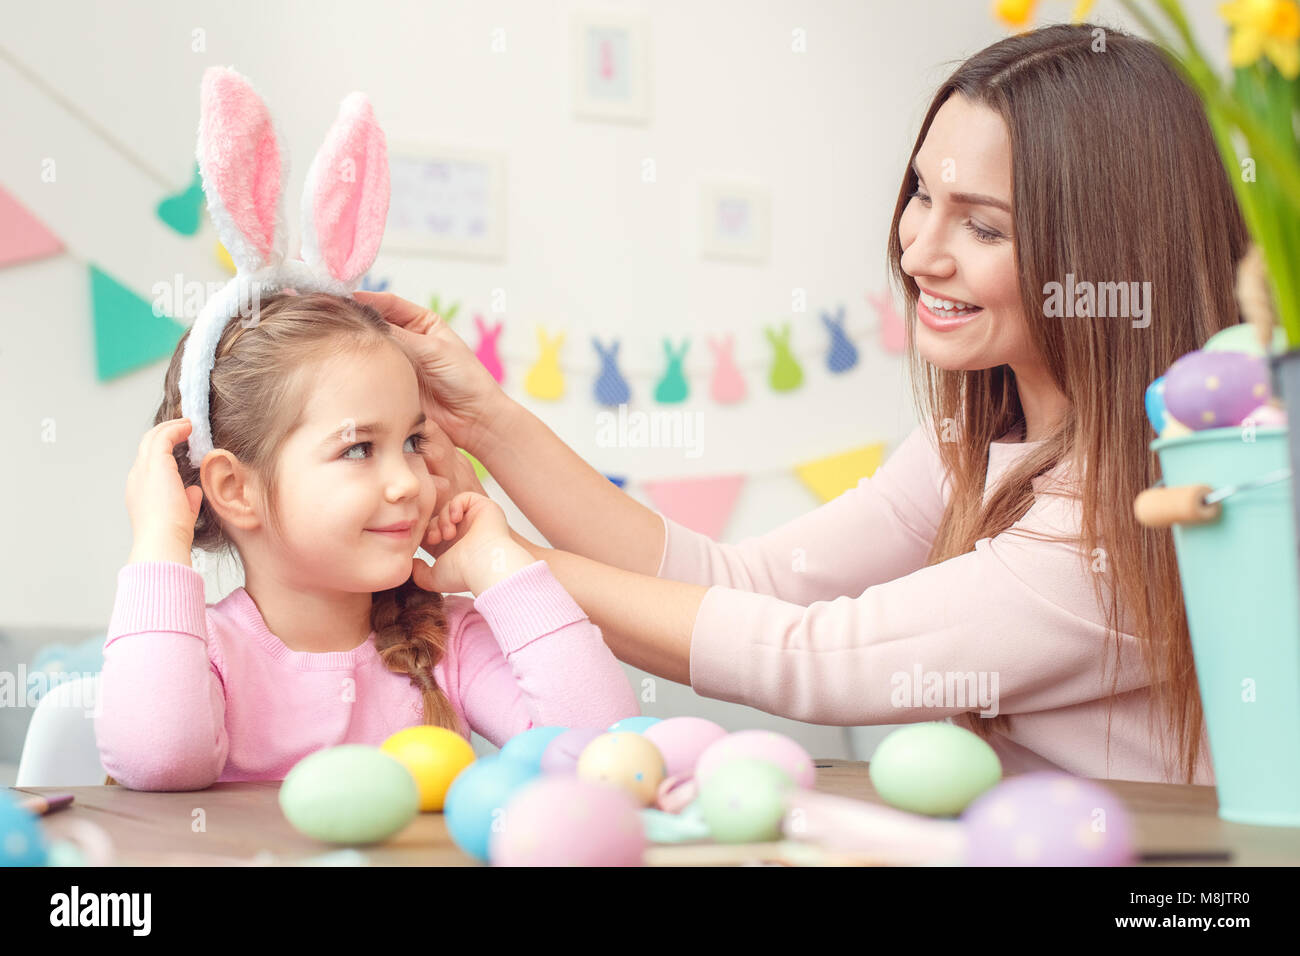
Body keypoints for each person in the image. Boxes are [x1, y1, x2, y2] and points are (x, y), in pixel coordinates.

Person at [361, 23, 1248, 785]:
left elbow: (813, 657)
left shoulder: (1129, 513)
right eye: (921, 199)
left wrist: (503, 561)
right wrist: (488, 421)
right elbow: (742, 583)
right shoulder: (978, 440)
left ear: (1103, 256)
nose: (919, 254)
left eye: (982, 227)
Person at [96, 293, 638, 790]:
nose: (409, 481)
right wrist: (161, 541)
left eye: (412, 441)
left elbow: (602, 753)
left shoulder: (447, 641)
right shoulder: (203, 653)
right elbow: (160, 759)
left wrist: (499, 562)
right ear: (236, 489)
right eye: (358, 449)